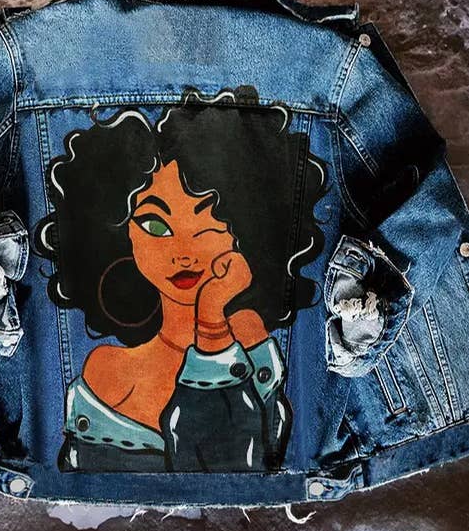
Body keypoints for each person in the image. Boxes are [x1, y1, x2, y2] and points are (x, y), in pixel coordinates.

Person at [34, 85, 329, 472]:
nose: (184, 253)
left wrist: (212, 323)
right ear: (121, 234)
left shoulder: (247, 333)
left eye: (210, 224)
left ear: (245, 230)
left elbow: (234, 470)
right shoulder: (108, 371)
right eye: (155, 225)